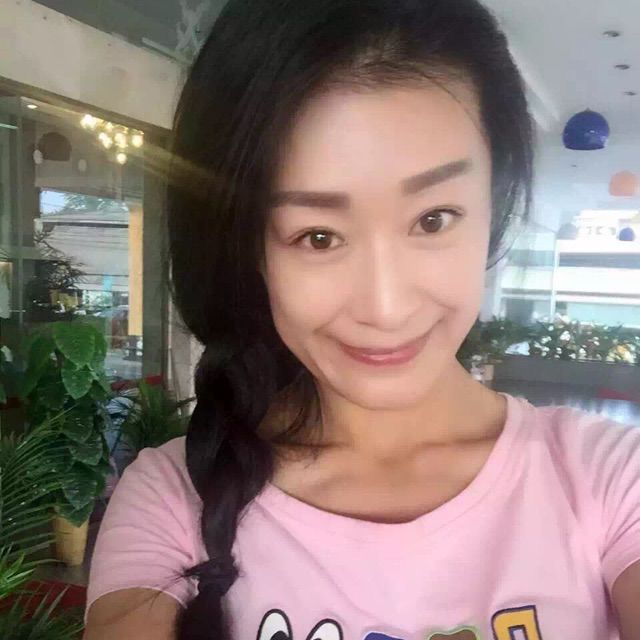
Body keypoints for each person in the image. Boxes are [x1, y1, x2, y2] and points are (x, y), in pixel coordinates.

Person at [82, 1, 640, 638]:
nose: (386, 307)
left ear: (493, 208)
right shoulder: (172, 500)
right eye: (317, 236)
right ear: (249, 250)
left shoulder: (610, 480)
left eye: (433, 219)